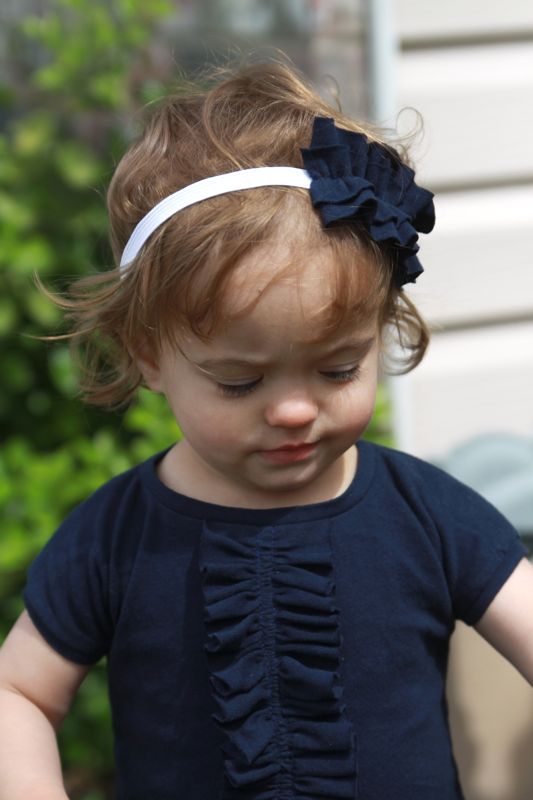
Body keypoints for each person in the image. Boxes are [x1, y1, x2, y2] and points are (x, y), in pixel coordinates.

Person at [0, 61, 532, 800]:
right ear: (150, 356)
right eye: (240, 381)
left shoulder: (424, 515)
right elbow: (18, 694)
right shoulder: (117, 538)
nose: (290, 409)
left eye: (337, 369)